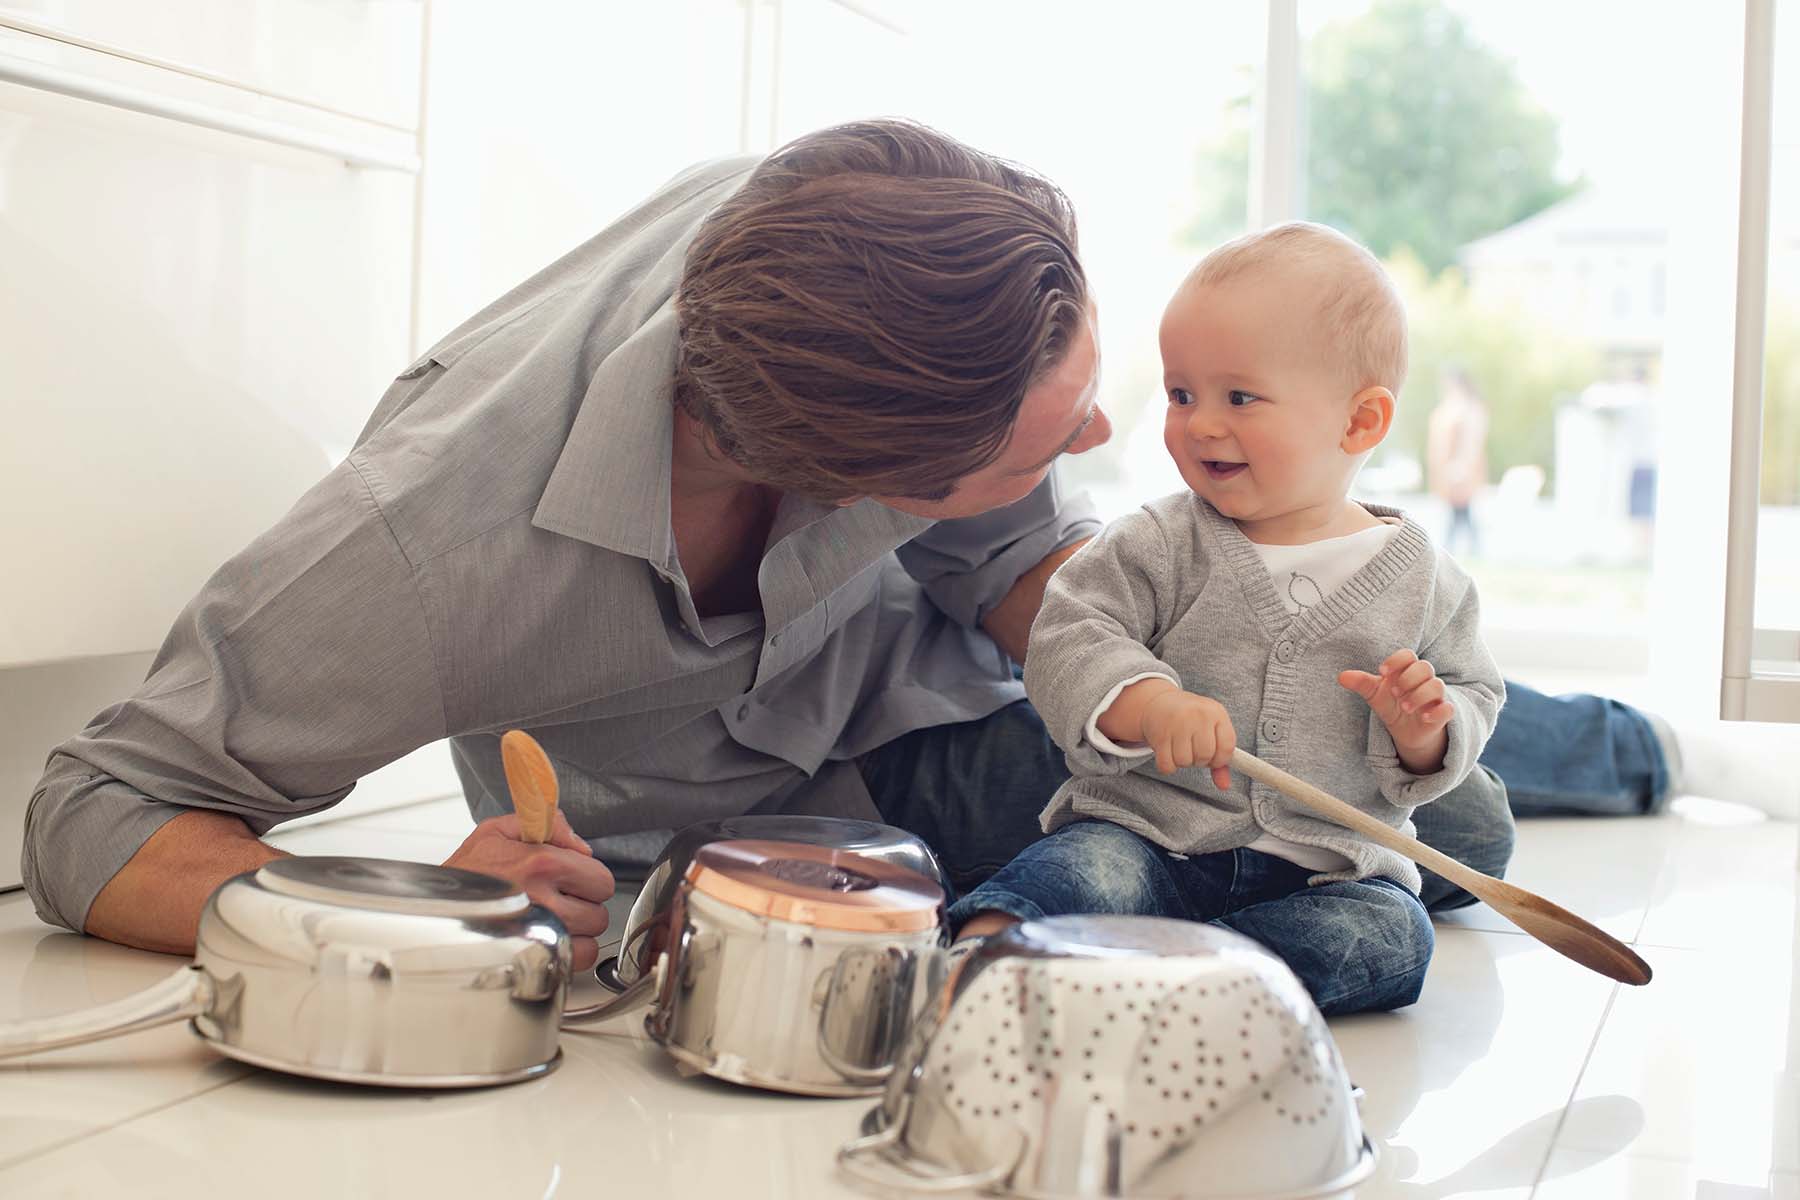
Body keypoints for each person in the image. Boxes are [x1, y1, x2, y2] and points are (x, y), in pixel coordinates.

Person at [20, 121, 1671, 975]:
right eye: (1054, 431)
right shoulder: (423, 554)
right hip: (792, 813)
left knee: (1441, 791)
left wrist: (1135, 664)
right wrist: (380, 909)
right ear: (866, 481)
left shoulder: (875, 244)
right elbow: (95, 809)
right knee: (1398, 865)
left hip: (993, 686)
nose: (1108, 445)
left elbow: (1031, 569)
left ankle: (1645, 746)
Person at [947, 223, 1497, 1015]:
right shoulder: (1161, 540)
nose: (1200, 423)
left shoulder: (1427, 580)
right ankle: (985, 960)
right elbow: (1070, 629)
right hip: (1155, 836)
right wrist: (1145, 701)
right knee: (1086, 870)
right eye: (1181, 395)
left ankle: (1196, 994)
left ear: (1359, 424)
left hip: (1328, 870)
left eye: (1239, 397)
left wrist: (1425, 735)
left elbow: (1474, 690)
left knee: (1391, 939)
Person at [1425, 366, 1488, 556]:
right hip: (1449, 469)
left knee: (1460, 510)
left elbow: (1471, 444)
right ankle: (1460, 548)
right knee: (1459, 512)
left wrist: (1461, 468)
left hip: (1458, 469)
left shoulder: (1466, 410)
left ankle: (1456, 549)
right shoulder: (1452, 408)